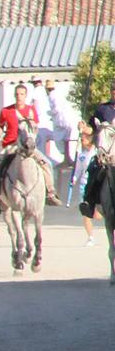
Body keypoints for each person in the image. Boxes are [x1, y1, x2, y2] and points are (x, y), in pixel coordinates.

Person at [0, 84, 60, 210]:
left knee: (47, 163)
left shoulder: (31, 110)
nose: (19, 96)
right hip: (11, 145)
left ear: (25, 96)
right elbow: (0, 125)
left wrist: (33, 140)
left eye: (22, 94)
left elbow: (34, 127)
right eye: (17, 94)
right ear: (15, 95)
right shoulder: (6, 111)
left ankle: (50, 192)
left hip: (28, 146)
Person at [78, 81, 115, 219]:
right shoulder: (102, 109)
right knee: (93, 168)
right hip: (107, 153)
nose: (114, 92)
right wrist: (83, 128)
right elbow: (92, 129)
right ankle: (89, 201)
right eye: (113, 89)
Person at [68, 130, 98, 247]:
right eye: (81, 139)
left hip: (95, 185)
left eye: (84, 138)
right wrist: (74, 179)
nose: (82, 141)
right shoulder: (81, 156)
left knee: (98, 214)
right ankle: (90, 237)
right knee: (86, 213)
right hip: (84, 186)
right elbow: (78, 170)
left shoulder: (97, 152)